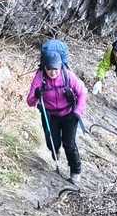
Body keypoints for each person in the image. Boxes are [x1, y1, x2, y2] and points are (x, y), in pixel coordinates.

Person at [25, 40, 88, 181]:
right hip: (50, 115)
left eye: (56, 69)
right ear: (44, 67)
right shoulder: (40, 77)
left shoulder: (68, 75)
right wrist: (36, 95)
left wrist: (78, 112)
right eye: (49, 69)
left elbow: (82, 93)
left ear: (60, 67)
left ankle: (75, 172)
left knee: (69, 143)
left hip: (69, 114)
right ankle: (55, 151)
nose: (53, 73)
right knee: (51, 142)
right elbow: (30, 101)